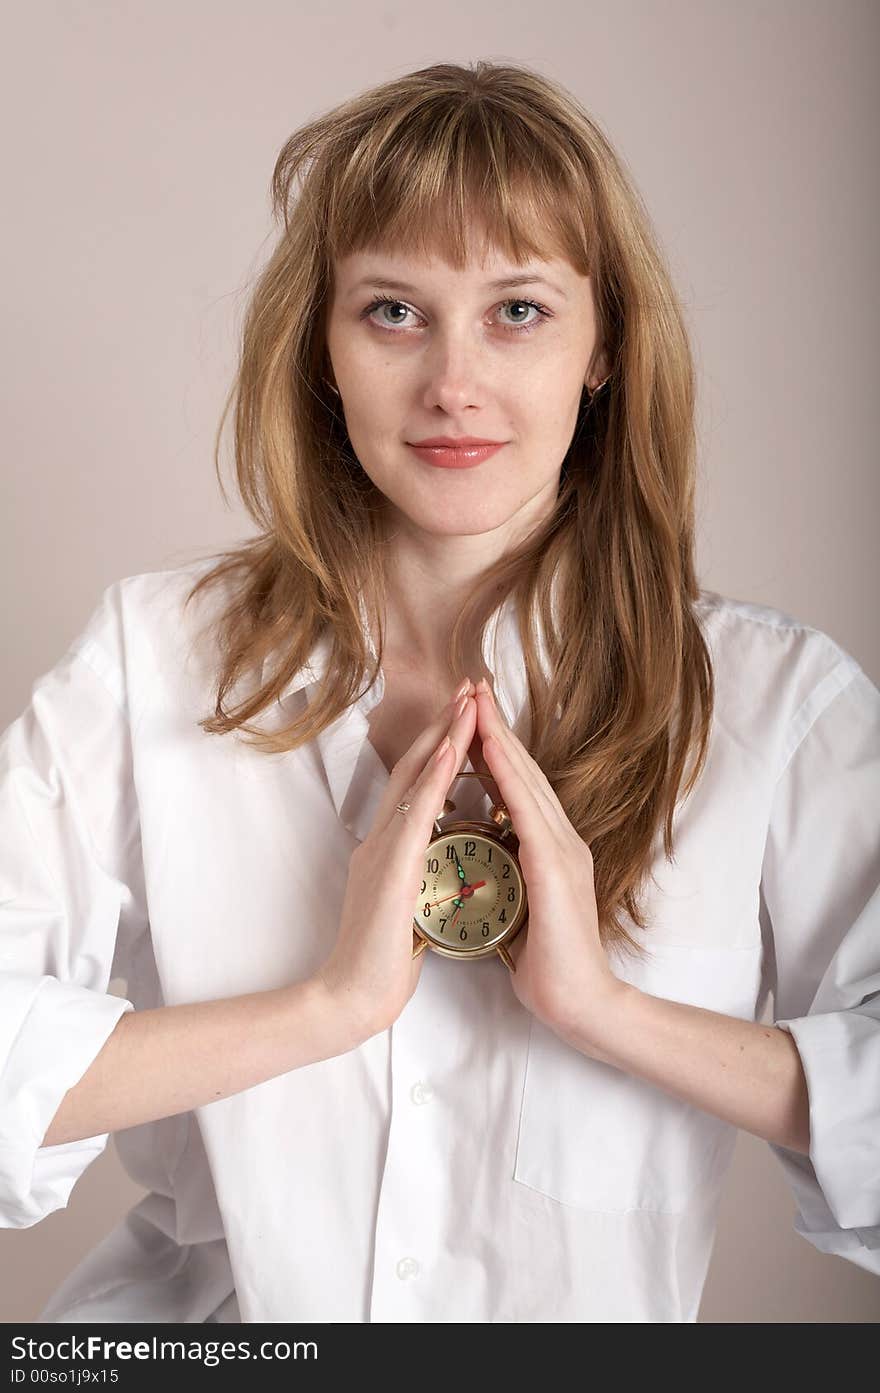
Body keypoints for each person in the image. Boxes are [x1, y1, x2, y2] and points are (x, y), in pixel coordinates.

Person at [1, 60, 877, 1325]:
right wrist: (326, 1008)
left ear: (603, 346)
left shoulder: (774, 704)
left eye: (516, 310)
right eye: (394, 312)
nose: (453, 384)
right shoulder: (152, 657)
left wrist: (605, 1010)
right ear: (324, 348)